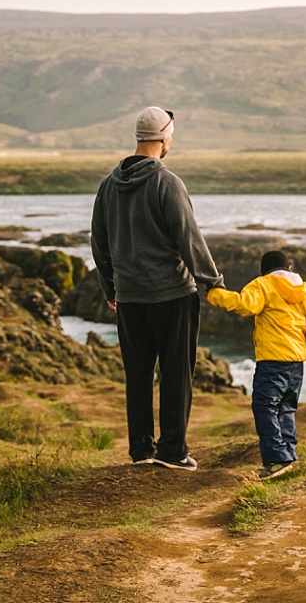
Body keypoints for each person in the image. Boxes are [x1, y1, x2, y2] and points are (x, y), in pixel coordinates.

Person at [91, 106, 224, 471]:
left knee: (137, 376)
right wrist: (213, 284)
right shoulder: (168, 183)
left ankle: (141, 451)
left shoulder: (107, 186)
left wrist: (111, 289)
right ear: (164, 138)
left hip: (130, 298)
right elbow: (189, 239)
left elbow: (99, 242)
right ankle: (172, 453)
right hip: (172, 296)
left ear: (139, 138)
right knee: (176, 374)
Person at [208, 250, 306, 480]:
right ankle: (288, 454)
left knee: (265, 407)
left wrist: (215, 294)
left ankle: (278, 459)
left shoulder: (263, 284)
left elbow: (245, 305)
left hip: (273, 360)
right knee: (286, 408)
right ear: (289, 268)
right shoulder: (304, 291)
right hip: (296, 363)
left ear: (265, 270)